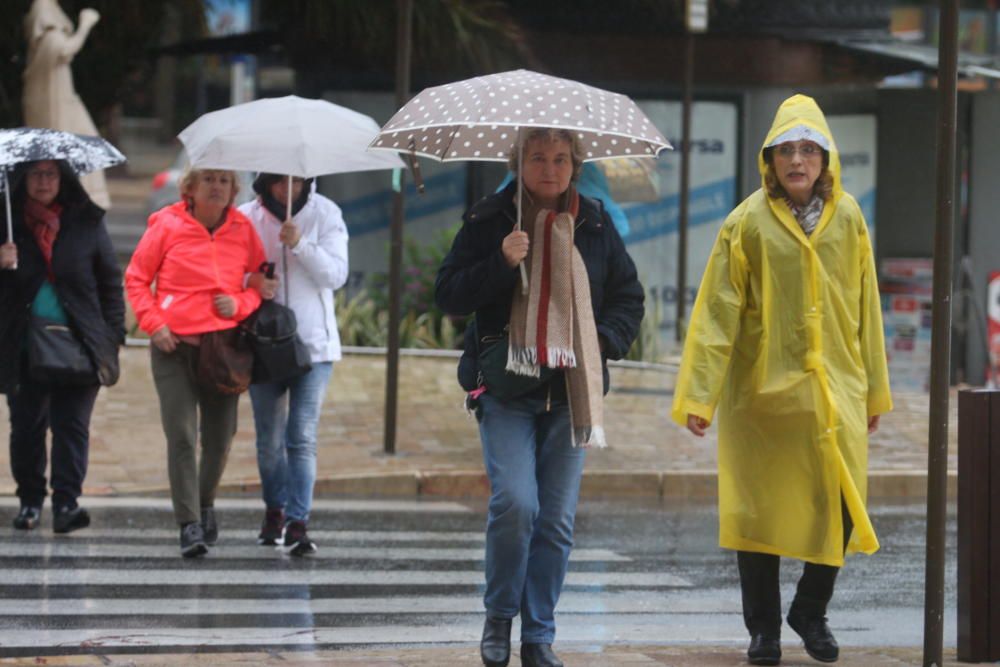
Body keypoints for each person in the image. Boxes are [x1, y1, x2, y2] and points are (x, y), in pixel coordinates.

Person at [671, 94, 892, 666]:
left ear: (825, 158)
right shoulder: (744, 224)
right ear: (769, 159)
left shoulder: (849, 219)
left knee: (844, 502)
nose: (797, 160)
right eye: (786, 149)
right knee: (757, 516)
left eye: (808, 149)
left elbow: (867, 305)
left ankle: (810, 609)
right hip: (762, 394)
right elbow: (716, 314)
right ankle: (763, 631)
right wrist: (701, 394)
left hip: (834, 389)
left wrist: (872, 391)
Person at [436, 128, 644, 667]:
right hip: (506, 387)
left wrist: (601, 342)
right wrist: (500, 264)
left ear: (575, 165)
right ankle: (500, 617)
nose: (549, 169)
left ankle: (538, 636)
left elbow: (628, 298)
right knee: (516, 505)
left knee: (555, 521)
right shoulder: (490, 219)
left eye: (560, 159)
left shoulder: (594, 223)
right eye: (537, 159)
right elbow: (449, 294)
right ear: (518, 163)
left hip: (569, 392)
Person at [125, 168, 265, 558]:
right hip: (174, 347)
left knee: (220, 439)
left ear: (234, 190)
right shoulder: (167, 225)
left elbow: (260, 281)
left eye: (224, 181)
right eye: (209, 180)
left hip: (223, 349)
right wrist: (154, 325)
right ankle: (188, 524)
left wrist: (240, 303)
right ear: (191, 188)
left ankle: (204, 503)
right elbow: (136, 279)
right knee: (183, 435)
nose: (217, 187)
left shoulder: (242, 229)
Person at [0, 159, 124, 533]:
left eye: (50, 174)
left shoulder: (86, 221)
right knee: (27, 426)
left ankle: (67, 502)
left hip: (80, 342)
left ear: (63, 179)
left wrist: (113, 335)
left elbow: (109, 281)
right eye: (35, 174)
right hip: (23, 344)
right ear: (22, 179)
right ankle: (30, 502)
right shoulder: (7, 222)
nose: (43, 182)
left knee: (72, 426)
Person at [238, 174, 349, 556]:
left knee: (301, 437)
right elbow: (226, 273)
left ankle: (298, 522)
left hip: (313, 347)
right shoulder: (245, 218)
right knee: (269, 441)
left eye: (296, 181)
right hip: (263, 344)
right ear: (265, 181)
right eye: (279, 181)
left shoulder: (327, 213)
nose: (289, 188)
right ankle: (275, 508)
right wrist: (251, 281)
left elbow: (335, 275)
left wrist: (300, 243)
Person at [22, 0, 109, 208]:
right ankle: (80, 194)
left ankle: (88, 195)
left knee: (88, 141)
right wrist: (85, 24)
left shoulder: (50, 29)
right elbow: (65, 49)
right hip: (57, 101)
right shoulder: (48, 33)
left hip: (65, 98)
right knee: (76, 145)